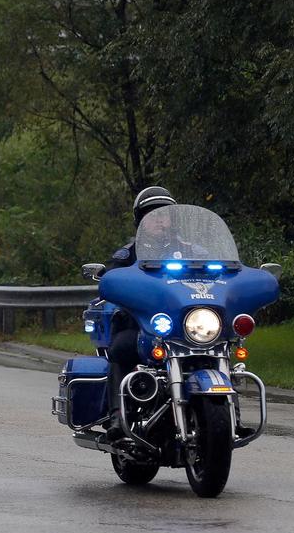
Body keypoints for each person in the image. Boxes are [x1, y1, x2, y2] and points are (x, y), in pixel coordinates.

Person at [104, 186, 177, 439]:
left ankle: (231, 414)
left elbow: (221, 276)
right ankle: (117, 415)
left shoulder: (195, 252)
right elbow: (110, 281)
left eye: (164, 214)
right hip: (142, 327)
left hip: (185, 329)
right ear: (140, 221)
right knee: (120, 348)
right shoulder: (128, 254)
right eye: (151, 215)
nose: (159, 220)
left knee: (217, 349)